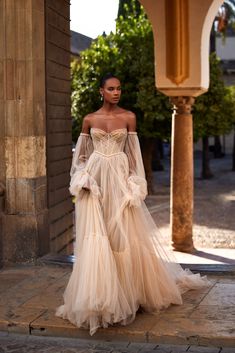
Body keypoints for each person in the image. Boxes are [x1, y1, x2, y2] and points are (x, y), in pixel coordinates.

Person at [56, 73, 209, 336]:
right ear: (101, 91)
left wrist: (134, 185)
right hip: (96, 183)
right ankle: (100, 298)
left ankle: (128, 294)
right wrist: (84, 179)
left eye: (119, 89)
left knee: (122, 237)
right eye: (111, 89)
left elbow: (134, 158)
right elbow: (80, 157)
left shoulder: (128, 117)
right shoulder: (89, 119)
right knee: (97, 237)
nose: (116, 93)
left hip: (118, 182)